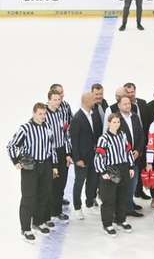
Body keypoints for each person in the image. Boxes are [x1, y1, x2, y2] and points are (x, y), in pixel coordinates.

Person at [7, 102, 54, 242]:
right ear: (34, 113)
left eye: (44, 114)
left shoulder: (47, 127)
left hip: (45, 165)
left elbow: (50, 147)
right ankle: (25, 228)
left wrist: (53, 165)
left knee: (43, 194)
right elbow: (11, 145)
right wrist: (16, 161)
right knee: (29, 197)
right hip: (30, 167)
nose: (42, 116)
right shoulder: (25, 128)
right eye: (40, 114)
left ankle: (38, 221)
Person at [94, 113, 136, 236]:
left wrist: (131, 166)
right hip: (110, 170)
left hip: (123, 168)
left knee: (122, 196)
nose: (116, 124)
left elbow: (128, 152)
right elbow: (98, 156)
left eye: (118, 122)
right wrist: (103, 171)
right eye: (114, 122)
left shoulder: (123, 135)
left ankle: (120, 220)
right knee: (109, 199)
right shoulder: (104, 138)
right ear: (109, 123)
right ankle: (107, 224)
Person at [69, 91, 102, 219]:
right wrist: (77, 159)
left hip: (94, 156)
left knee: (93, 181)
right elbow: (74, 141)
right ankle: (77, 207)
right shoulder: (77, 118)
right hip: (82, 158)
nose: (95, 101)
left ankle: (90, 203)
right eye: (92, 99)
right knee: (79, 182)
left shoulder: (94, 115)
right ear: (86, 101)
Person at [44, 87, 72, 223]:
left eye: (59, 99)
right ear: (49, 100)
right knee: (51, 183)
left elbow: (66, 135)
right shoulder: (44, 114)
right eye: (54, 99)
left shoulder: (61, 113)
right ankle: (47, 212)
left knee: (61, 182)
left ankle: (57, 209)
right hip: (50, 153)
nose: (57, 102)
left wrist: (68, 153)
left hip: (62, 151)